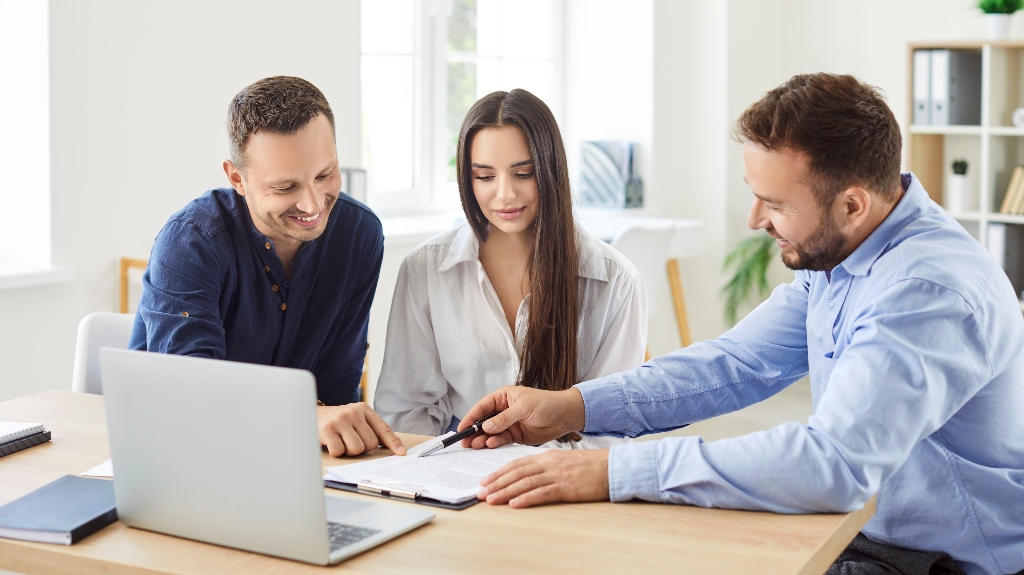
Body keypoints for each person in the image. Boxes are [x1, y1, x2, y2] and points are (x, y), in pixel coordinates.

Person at [456, 74, 1024, 575]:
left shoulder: (925, 290)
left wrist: (612, 470)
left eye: (772, 202)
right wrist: (570, 406)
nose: (755, 220)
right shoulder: (844, 255)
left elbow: (834, 465)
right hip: (866, 537)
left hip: (946, 561)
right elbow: (733, 364)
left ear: (851, 205)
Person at [130, 76, 406, 458]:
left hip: (293, 456)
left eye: (325, 175)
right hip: (180, 452)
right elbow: (189, 395)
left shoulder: (359, 234)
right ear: (237, 178)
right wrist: (303, 418)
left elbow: (337, 386)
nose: (312, 205)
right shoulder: (190, 242)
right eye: (285, 188)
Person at [373, 89, 647, 448]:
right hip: (458, 470)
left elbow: (610, 428)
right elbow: (404, 409)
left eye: (523, 173)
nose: (504, 194)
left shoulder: (617, 282)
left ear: (551, 172)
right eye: (484, 177)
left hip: (564, 478)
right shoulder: (425, 269)